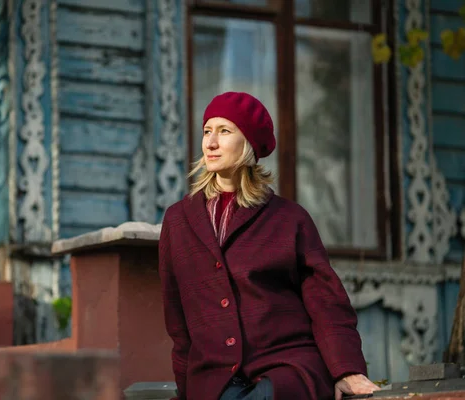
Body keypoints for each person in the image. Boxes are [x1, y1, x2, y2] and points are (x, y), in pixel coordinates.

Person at [158, 92, 381, 400]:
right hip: (214, 376)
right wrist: (186, 389)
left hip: (287, 365)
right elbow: (177, 318)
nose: (211, 142)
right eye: (207, 131)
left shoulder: (289, 218)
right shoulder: (177, 221)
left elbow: (325, 300)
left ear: (248, 143)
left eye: (224, 131)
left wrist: (346, 369)